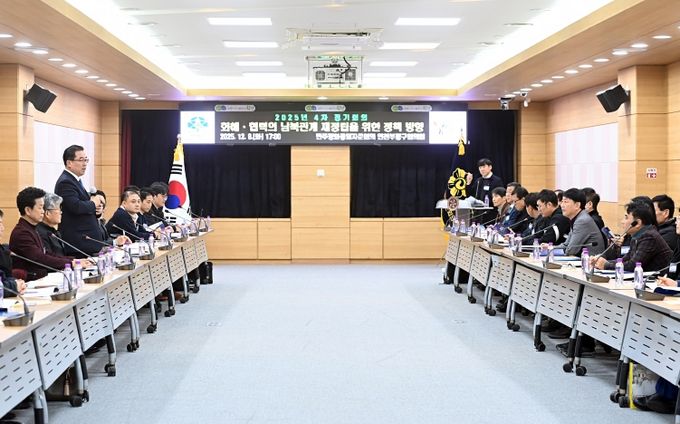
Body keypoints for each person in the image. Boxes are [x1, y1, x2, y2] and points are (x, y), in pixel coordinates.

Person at [9, 187, 75, 281]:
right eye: (40, 208)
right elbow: (40, 258)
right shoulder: (22, 233)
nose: (43, 211)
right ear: (28, 210)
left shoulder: (32, 228)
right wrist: (70, 263)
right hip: (30, 283)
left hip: (40, 279)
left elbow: (46, 253)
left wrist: (72, 261)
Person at [592, 201, 672, 272]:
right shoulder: (637, 235)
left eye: (626, 217)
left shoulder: (649, 236)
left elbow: (633, 265)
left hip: (658, 280)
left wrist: (606, 265)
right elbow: (626, 259)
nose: (622, 221)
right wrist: (601, 262)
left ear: (637, 223)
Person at [55, 145, 105, 256]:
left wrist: (97, 209)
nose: (85, 164)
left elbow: (84, 207)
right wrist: (94, 203)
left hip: (86, 242)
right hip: (78, 242)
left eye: (86, 160)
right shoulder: (65, 182)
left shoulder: (75, 180)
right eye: (81, 160)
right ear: (69, 163)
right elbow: (76, 206)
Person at [555, 188, 605, 256]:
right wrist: (549, 248)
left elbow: (571, 251)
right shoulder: (577, 218)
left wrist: (555, 251)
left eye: (565, 202)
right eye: (562, 201)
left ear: (577, 205)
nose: (561, 205)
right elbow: (566, 245)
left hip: (589, 260)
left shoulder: (582, 221)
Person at [0, 209, 27, 297]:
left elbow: (5, 277)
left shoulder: (3, 251)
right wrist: (14, 286)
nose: (2, 228)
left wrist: (17, 283)